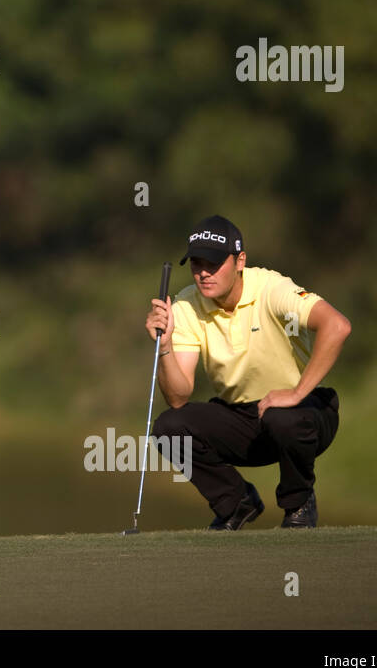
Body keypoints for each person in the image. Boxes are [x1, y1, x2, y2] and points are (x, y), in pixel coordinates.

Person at [144, 215, 351, 529]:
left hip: (306, 414)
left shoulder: (271, 288)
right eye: (196, 263)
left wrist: (295, 393)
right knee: (169, 427)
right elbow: (177, 397)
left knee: (283, 417)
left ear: (240, 260)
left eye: (213, 263)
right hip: (245, 418)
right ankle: (236, 502)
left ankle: (298, 503)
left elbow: (337, 326)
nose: (203, 273)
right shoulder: (185, 306)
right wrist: (165, 345)